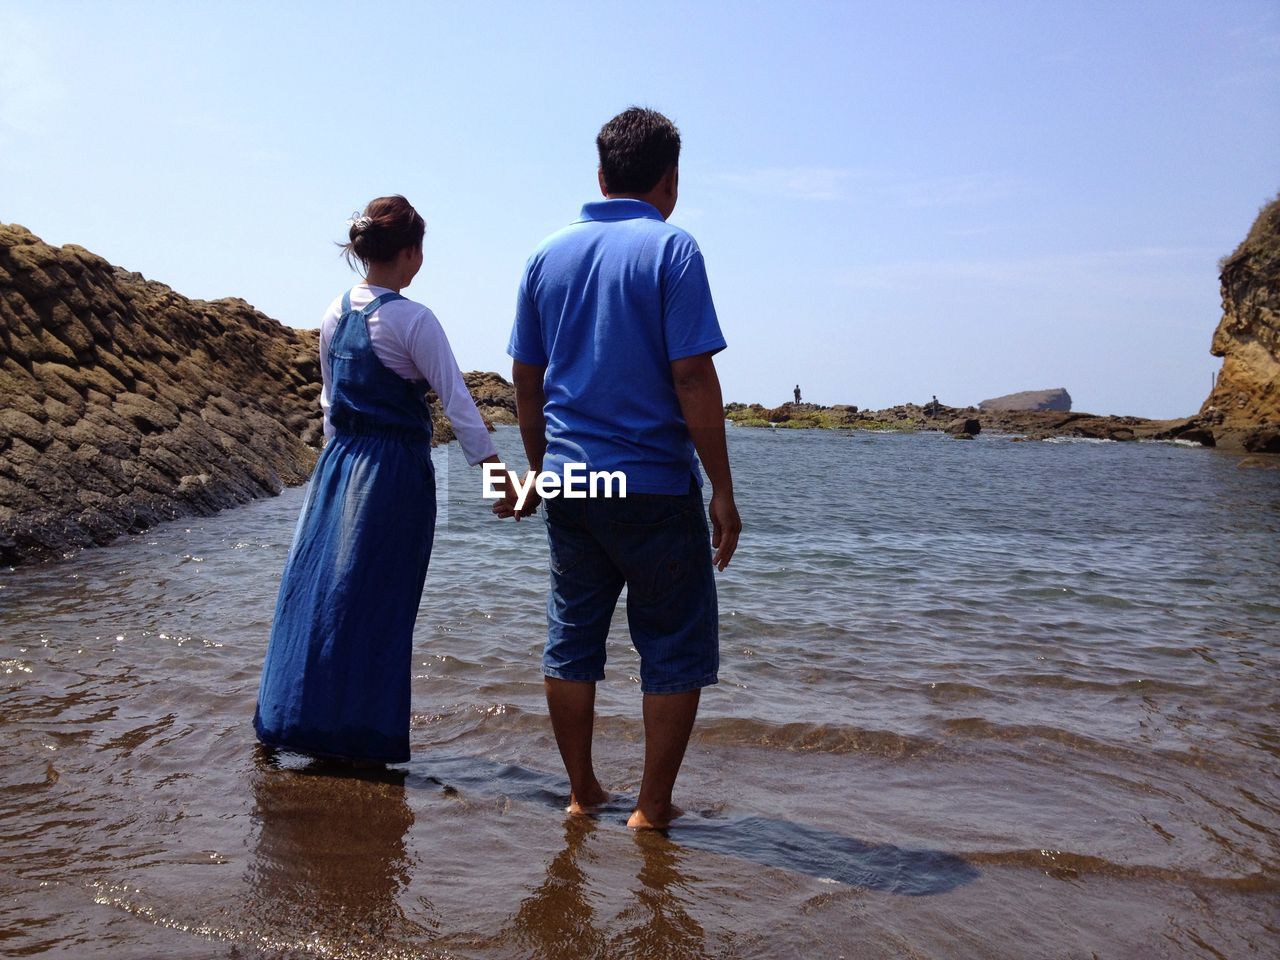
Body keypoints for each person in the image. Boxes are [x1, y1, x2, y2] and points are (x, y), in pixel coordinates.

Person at [505, 107, 741, 829]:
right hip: (653, 485)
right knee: (671, 645)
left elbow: (525, 377)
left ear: (600, 176)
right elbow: (693, 376)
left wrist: (539, 469)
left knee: (571, 637)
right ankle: (652, 807)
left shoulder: (547, 253)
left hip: (574, 482)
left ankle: (582, 793)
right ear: (669, 180)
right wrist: (724, 492)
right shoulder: (672, 250)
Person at [255, 195, 509, 765]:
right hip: (391, 473)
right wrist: (495, 478)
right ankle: (358, 737)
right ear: (413, 253)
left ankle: (291, 720)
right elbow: (458, 403)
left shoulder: (333, 312)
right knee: (378, 605)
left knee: (318, 596)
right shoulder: (412, 319)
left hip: (337, 466)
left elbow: (329, 403)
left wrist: (331, 468)